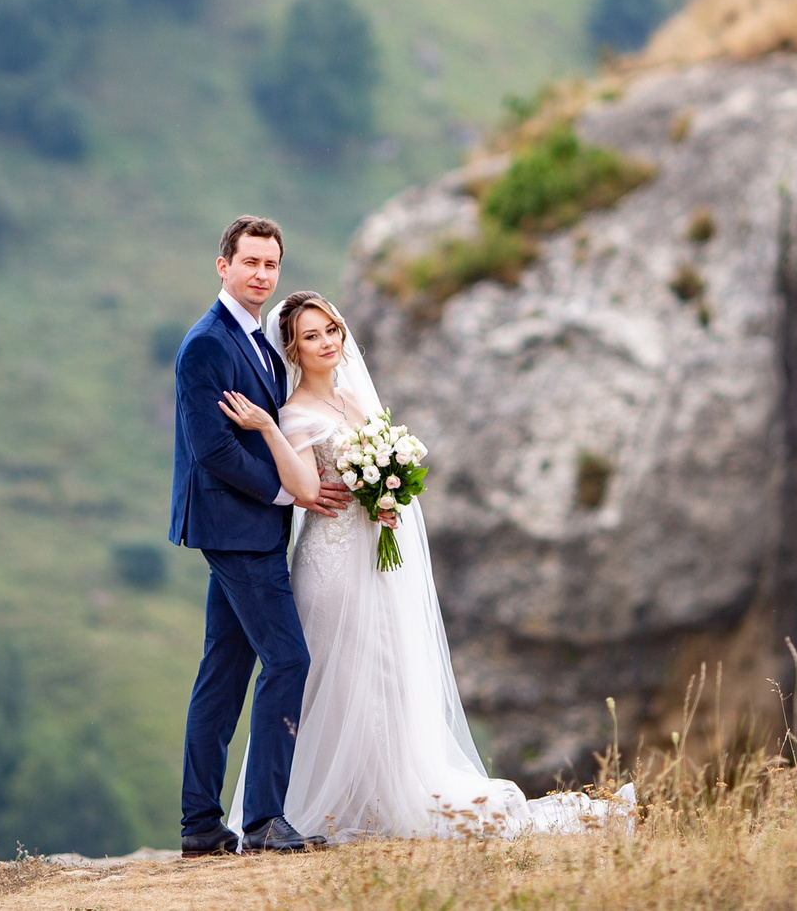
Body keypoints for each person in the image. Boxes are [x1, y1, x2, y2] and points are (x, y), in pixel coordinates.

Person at [219, 291, 628, 843]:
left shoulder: (355, 405)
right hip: (331, 564)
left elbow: (375, 473)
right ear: (292, 348)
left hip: (374, 557)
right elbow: (304, 489)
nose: (326, 343)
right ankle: (314, 804)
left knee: (382, 673)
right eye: (311, 336)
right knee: (333, 677)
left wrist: (386, 495)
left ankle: (378, 792)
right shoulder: (293, 413)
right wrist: (268, 428)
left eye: (331, 330)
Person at [169, 216, 354, 855]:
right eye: (250, 262)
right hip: (236, 527)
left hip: (257, 527)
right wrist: (286, 492)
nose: (261, 275)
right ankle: (265, 821)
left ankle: (200, 826)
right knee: (289, 658)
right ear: (223, 265)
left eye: (271, 265)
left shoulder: (260, 341)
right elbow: (212, 449)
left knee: (224, 671)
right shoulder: (206, 344)